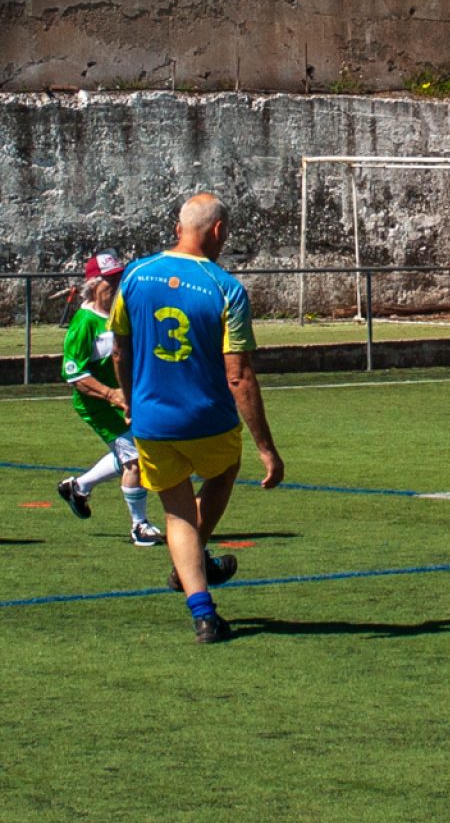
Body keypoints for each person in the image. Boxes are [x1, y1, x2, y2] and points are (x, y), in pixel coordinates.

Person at [110, 193, 284, 644]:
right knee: (223, 472)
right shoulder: (225, 286)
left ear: (177, 227)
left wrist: (130, 399)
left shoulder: (133, 276)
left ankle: (203, 613)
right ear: (220, 231)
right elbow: (238, 375)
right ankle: (196, 563)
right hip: (208, 418)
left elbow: (119, 349)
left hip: (152, 421)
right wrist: (267, 447)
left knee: (176, 514)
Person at [58, 250, 163, 546]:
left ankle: (79, 487)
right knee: (135, 459)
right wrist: (110, 395)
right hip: (98, 404)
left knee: (138, 450)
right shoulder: (84, 323)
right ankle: (139, 526)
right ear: (93, 284)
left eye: (119, 277)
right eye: (110, 279)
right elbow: (74, 375)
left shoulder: (121, 314)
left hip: (126, 398)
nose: (117, 283)